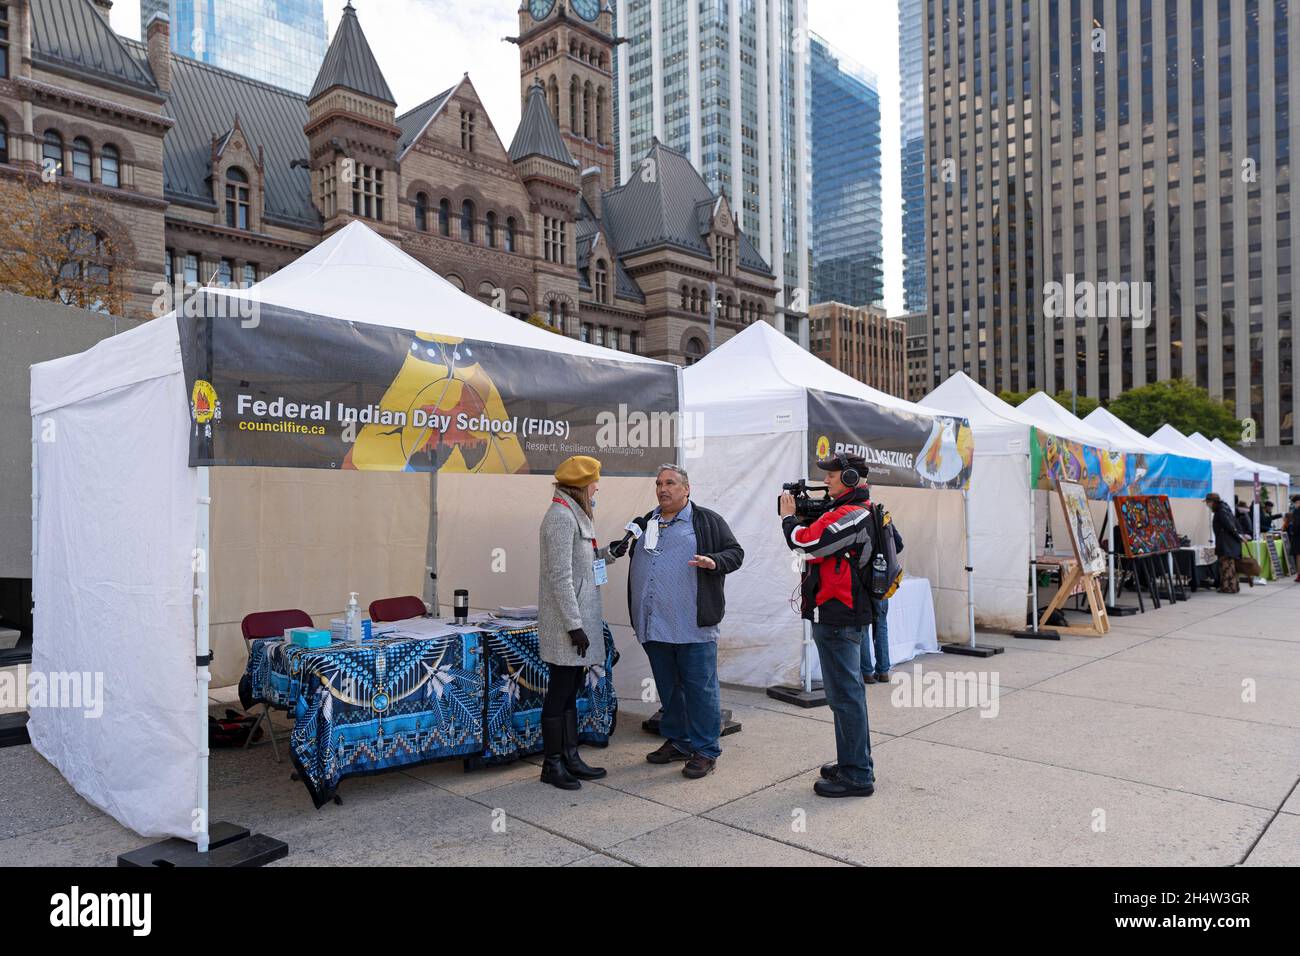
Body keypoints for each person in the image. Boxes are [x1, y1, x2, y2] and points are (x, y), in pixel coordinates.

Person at [621, 464, 743, 780]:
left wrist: (714, 561)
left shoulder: (706, 521)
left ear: (686, 489)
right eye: (659, 483)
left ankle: (705, 750)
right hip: (654, 623)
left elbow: (736, 553)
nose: (663, 489)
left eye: (671, 483)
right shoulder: (647, 521)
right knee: (669, 688)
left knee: (699, 689)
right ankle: (679, 740)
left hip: (692, 625)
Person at [780, 454, 879, 798]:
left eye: (833, 476)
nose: (827, 482)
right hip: (842, 615)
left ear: (851, 477)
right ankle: (854, 762)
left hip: (839, 616)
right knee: (847, 696)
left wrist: (789, 519)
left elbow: (806, 543)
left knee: (845, 697)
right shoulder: (855, 510)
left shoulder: (850, 514)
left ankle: (856, 775)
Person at [537, 454, 614, 790]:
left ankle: (570, 756)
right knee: (559, 692)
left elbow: (582, 563)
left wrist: (610, 553)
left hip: (576, 620)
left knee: (570, 692)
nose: (598, 486)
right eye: (595, 481)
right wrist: (573, 625)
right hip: (567, 625)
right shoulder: (560, 518)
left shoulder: (574, 514)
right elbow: (560, 576)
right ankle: (551, 765)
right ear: (583, 485)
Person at [863, 501, 904, 684]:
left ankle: (866, 672)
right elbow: (899, 545)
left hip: (863, 579)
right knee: (881, 624)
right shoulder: (883, 515)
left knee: (863, 625)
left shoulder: (856, 516)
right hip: (882, 577)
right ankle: (883, 671)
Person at [1206, 492, 1249, 594]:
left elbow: (1230, 526)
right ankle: (1232, 587)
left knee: (1226, 566)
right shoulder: (1225, 508)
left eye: (1208, 502)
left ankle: (1228, 587)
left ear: (1212, 502)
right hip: (1229, 543)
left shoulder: (1221, 511)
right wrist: (1240, 535)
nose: (1207, 504)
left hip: (1226, 543)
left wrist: (1239, 535)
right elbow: (1233, 524)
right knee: (1229, 566)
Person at [1286, 495, 1300, 583]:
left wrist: (1293, 532)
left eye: (1294, 503)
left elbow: (1297, 524)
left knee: (1298, 557)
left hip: (1298, 537)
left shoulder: (1297, 511)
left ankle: (1299, 575)